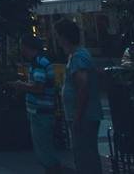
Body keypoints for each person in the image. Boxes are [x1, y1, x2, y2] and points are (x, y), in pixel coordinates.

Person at [55, 19, 102, 174]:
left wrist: (77, 116)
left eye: (58, 36)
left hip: (84, 117)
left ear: (65, 37)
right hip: (84, 116)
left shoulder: (78, 57)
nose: (58, 41)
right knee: (84, 155)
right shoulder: (76, 55)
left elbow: (83, 87)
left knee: (84, 156)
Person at [8, 35, 60, 174]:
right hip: (39, 111)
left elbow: (39, 87)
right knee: (43, 147)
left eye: (21, 46)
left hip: (41, 111)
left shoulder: (39, 63)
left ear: (26, 46)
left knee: (44, 149)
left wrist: (21, 85)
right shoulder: (38, 62)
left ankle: (53, 170)